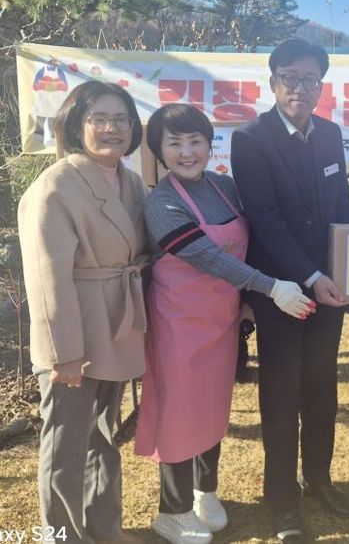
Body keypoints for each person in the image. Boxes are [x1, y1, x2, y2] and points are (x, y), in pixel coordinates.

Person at [134, 104, 314, 544]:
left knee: (213, 406)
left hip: (223, 319)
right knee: (179, 411)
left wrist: (250, 300)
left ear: (209, 143)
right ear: (158, 150)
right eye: (174, 143)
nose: (187, 152)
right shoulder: (163, 203)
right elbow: (209, 257)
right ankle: (172, 510)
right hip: (178, 323)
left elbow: (251, 240)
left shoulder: (225, 187)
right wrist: (271, 288)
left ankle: (205, 490)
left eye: (195, 140)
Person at [230, 38, 349, 543]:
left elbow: (342, 205)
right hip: (280, 289)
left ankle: (319, 479)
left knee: (322, 386)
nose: (300, 88)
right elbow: (266, 221)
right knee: (281, 394)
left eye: (310, 80)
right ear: (273, 82)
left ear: (321, 86)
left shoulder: (330, 133)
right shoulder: (250, 138)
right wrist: (311, 277)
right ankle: (283, 499)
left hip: (329, 286)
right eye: (290, 78)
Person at [18, 81, 148, 544]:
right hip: (75, 332)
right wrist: (64, 353)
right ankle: (62, 537)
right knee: (66, 444)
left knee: (104, 435)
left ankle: (104, 527)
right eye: (100, 119)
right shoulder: (55, 186)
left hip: (117, 326)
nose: (113, 129)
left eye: (121, 119)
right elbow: (46, 277)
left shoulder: (132, 181)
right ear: (76, 125)